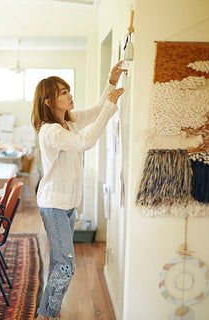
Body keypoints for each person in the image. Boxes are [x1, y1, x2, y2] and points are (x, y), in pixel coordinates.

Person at [31, 61, 126, 320]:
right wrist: (111, 107)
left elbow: (96, 111)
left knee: (59, 262)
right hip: (54, 206)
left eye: (68, 90)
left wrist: (112, 81)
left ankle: (49, 310)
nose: (70, 95)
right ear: (49, 102)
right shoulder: (51, 131)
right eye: (63, 93)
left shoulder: (68, 122)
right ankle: (46, 315)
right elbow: (86, 142)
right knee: (66, 264)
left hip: (67, 206)